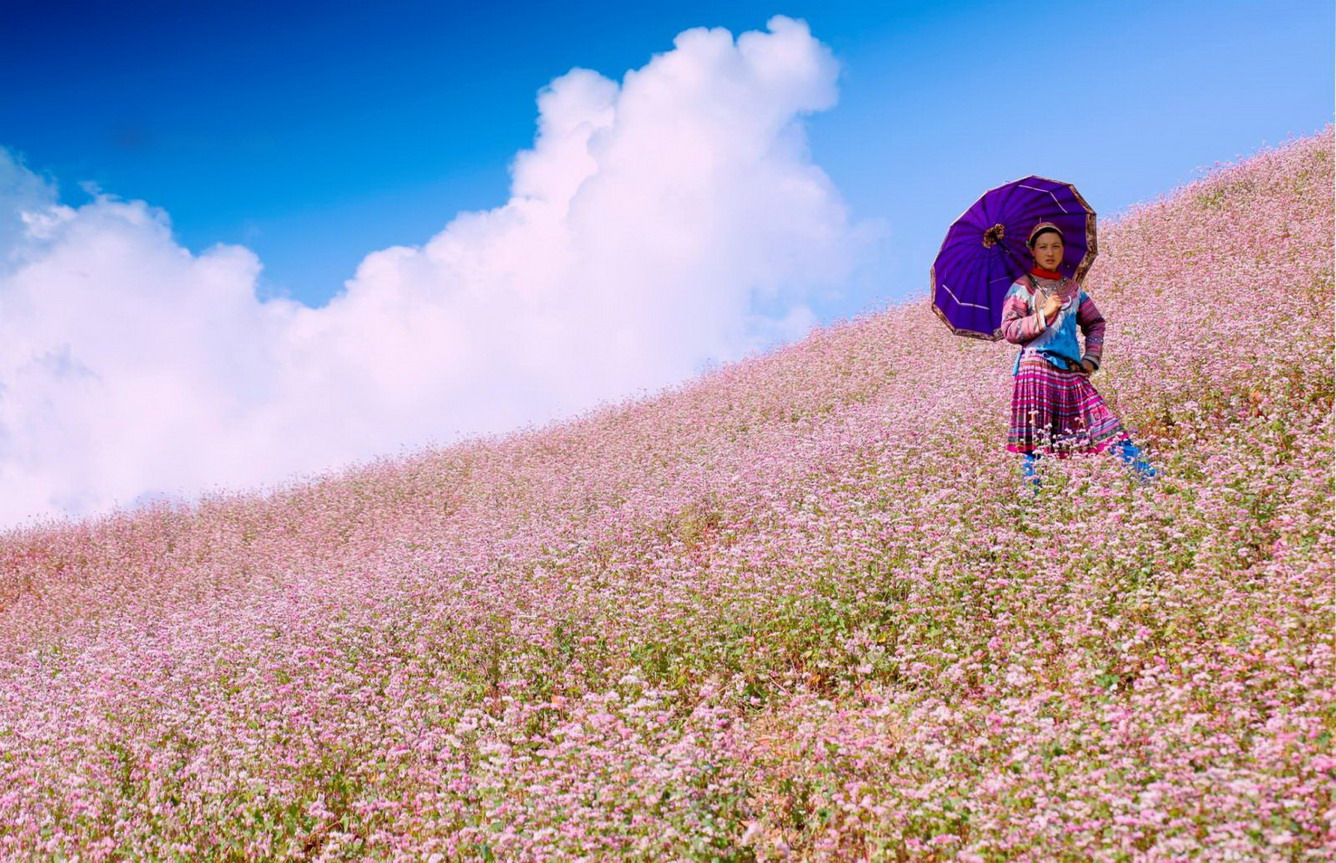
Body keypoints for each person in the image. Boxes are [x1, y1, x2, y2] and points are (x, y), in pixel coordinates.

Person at [1000, 221, 1156, 487]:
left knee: (1109, 429)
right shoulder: (1021, 288)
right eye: (1043, 247)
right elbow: (1010, 330)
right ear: (1033, 251)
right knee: (1035, 445)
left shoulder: (1073, 289)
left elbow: (1096, 323)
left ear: (1063, 251)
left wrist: (1091, 359)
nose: (1050, 252)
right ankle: (1033, 509)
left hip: (1072, 371)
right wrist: (1044, 314)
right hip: (1035, 369)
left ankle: (1153, 483)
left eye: (1056, 247)